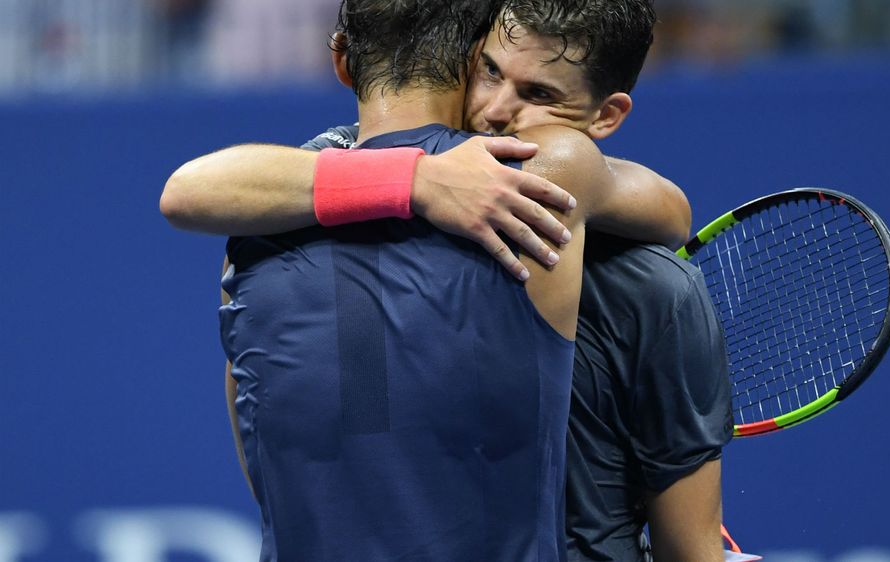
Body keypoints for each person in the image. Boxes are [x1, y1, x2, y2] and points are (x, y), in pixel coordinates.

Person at [160, 0, 733, 559]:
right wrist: (420, 179)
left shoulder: (257, 228)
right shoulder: (558, 188)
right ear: (467, 61)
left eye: (538, 94)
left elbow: (189, 191)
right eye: (492, 72)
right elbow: (671, 212)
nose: (500, 110)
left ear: (342, 61)